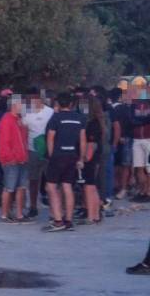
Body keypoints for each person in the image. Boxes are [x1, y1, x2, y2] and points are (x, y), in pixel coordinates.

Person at [44, 92, 87, 232]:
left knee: (51, 187)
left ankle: (58, 221)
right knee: (67, 187)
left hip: (57, 155)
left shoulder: (55, 118)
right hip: (72, 155)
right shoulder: (80, 118)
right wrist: (81, 158)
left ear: (58, 104)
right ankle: (68, 220)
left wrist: (51, 156)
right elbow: (82, 140)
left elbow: (50, 138)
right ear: (71, 104)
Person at [0, 96, 32, 224]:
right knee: (9, 187)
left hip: (22, 158)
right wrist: (9, 157)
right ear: (14, 105)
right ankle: (4, 214)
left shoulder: (18, 120)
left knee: (21, 187)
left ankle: (19, 214)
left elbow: (23, 139)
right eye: (21, 104)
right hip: (11, 160)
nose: (23, 106)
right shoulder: (6, 120)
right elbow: (4, 142)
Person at [22, 89, 54, 218]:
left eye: (34, 99)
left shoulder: (50, 112)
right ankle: (33, 206)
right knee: (33, 180)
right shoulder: (25, 112)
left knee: (51, 181)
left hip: (47, 150)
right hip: (31, 150)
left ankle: (54, 209)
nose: (31, 102)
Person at [81, 95, 105, 224]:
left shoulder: (92, 124)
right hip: (95, 157)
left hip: (90, 158)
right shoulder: (98, 122)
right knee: (93, 186)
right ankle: (95, 215)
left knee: (89, 187)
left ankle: (91, 216)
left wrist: (84, 159)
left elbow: (91, 144)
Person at [109, 87, 132, 200]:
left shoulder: (114, 108)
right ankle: (120, 187)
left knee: (121, 165)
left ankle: (122, 187)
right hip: (122, 138)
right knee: (122, 165)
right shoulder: (125, 108)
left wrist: (121, 136)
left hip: (118, 139)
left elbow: (125, 123)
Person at [129, 94, 150, 202]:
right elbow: (131, 120)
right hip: (137, 139)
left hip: (148, 139)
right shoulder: (134, 104)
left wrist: (139, 120)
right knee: (138, 166)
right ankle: (142, 190)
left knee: (149, 167)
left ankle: (148, 191)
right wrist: (143, 120)